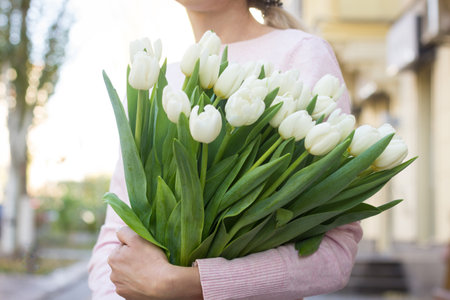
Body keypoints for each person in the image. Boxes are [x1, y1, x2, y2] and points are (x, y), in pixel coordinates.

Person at [88, 0, 362, 299]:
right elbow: (114, 239)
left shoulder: (300, 52)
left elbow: (334, 253)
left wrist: (194, 284)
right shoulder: (162, 78)